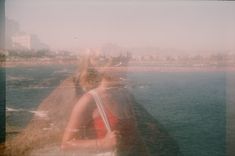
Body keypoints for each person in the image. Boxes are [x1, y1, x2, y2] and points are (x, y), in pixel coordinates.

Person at [61, 50, 149, 156]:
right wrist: (102, 143)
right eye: (119, 64)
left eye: (125, 63)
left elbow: (136, 137)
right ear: (107, 68)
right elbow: (65, 145)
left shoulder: (124, 96)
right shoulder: (89, 100)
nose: (125, 69)